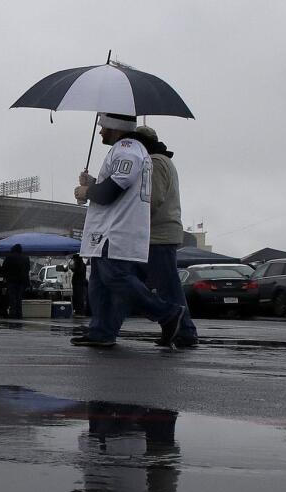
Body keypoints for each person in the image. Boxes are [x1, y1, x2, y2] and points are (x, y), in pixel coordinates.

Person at [71, 113, 185, 347]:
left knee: (116, 277)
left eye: (103, 126)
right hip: (107, 231)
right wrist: (93, 182)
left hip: (117, 230)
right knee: (100, 281)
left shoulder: (128, 149)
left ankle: (166, 313)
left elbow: (113, 189)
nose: (100, 131)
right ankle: (101, 331)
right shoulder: (128, 150)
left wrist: (87, 192)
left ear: (115, 127)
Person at [133, 125, 199, 347]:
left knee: (166, 286)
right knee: (165, 285)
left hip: (158, 235)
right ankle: (180, 329)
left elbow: (153, 199)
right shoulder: (162, 161)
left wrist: (135, 219)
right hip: (162, 233)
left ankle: (185, 330)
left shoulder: (156, 163)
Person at [1, 244, 32, 318]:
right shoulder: (26, 258)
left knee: (12, 297)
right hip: (22, 281)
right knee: (19, 297)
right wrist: (27, 283)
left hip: (11, 281)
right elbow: (27, 270)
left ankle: (13, 313)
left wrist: (5, 277)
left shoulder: (9, 257)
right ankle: (19, 313)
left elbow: (4, 269)